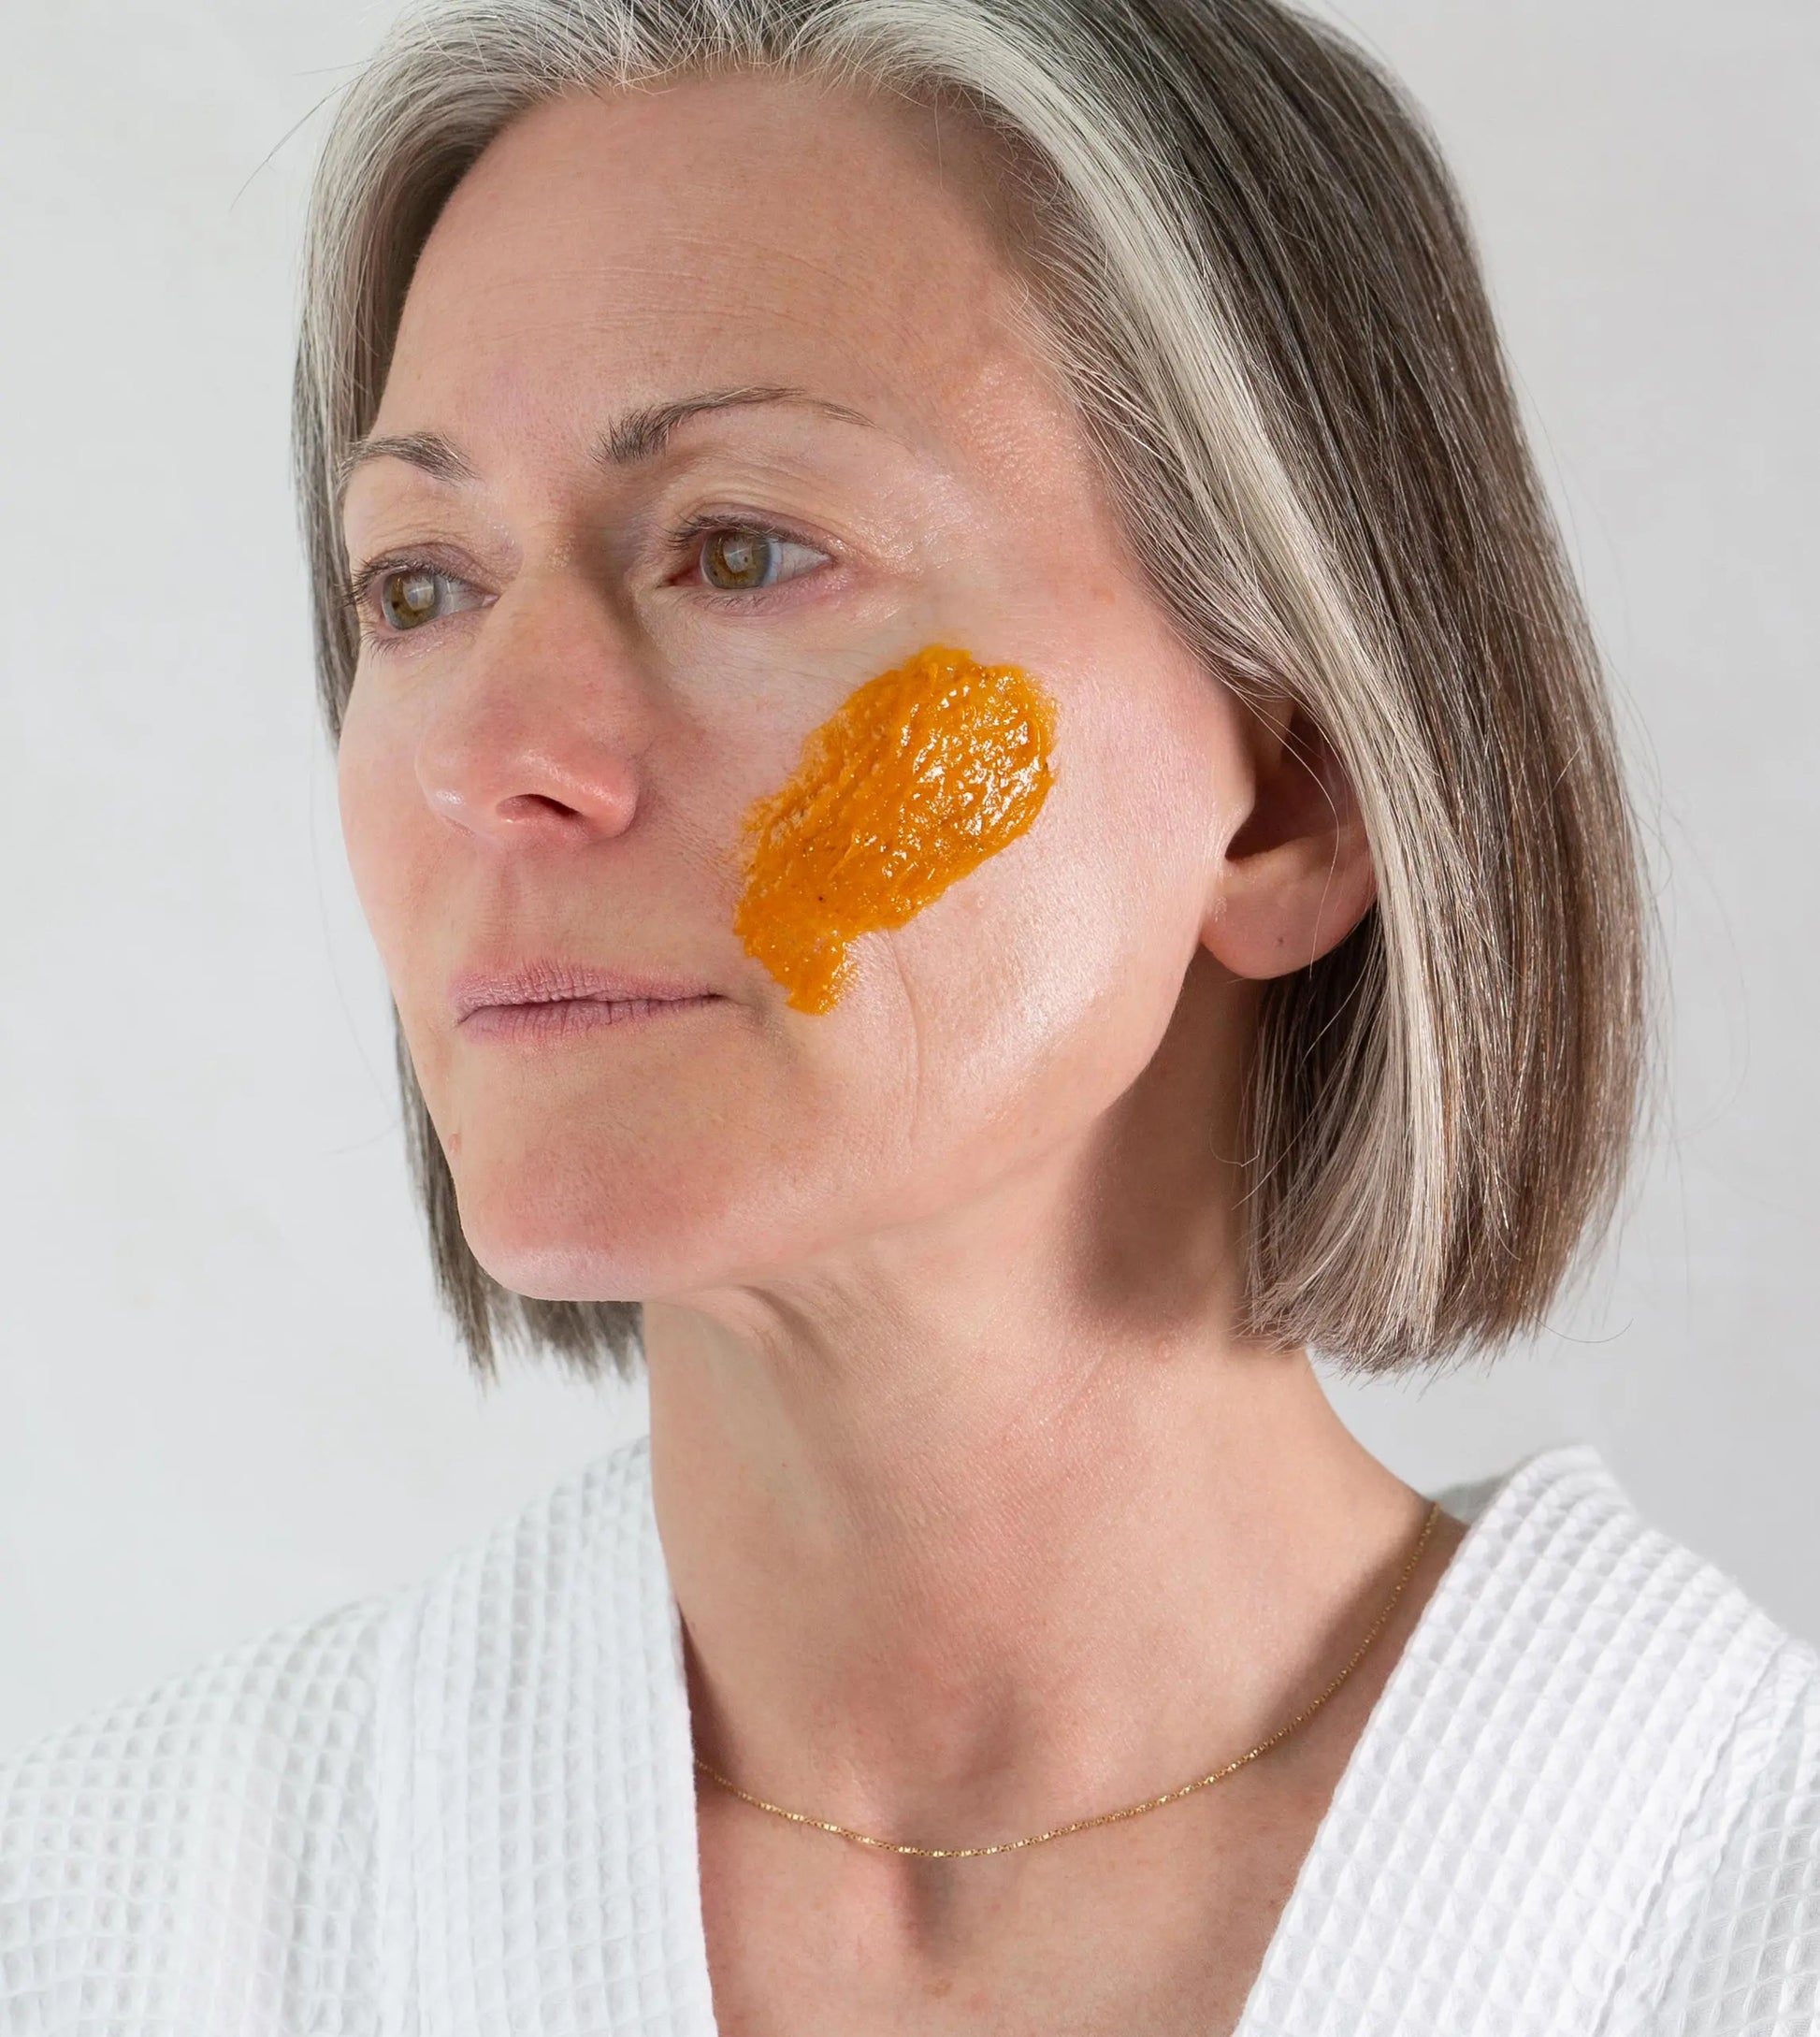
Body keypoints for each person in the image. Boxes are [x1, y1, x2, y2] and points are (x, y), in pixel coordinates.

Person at [4, 1, 1815, 2030]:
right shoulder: (111, 1925)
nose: (491, 755)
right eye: (420, 584)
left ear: (1291, 791)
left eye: (744, 552)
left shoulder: (1746, 1922)